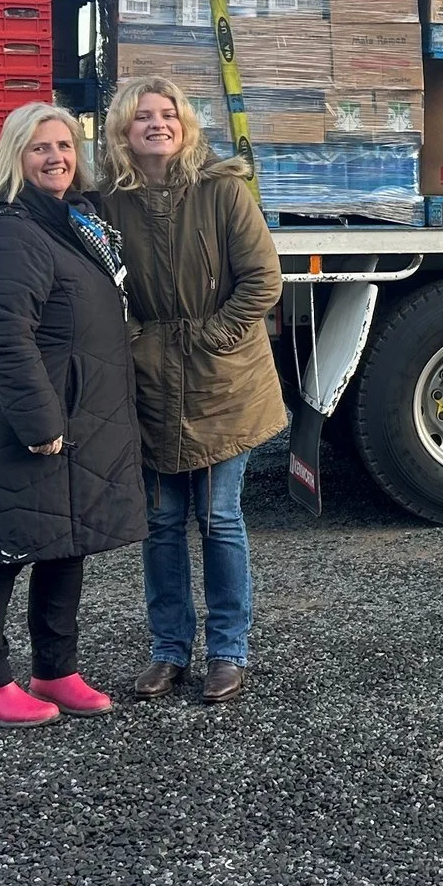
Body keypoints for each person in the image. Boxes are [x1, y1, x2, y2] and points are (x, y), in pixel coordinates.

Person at [0, 102, 146, 728]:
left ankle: (55, 670)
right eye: (39, 148)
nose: (55, 157)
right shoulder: (9, 231)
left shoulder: (71, 221)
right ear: (14, 157)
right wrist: (40, 422)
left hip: (78, 411)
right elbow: (4, 335)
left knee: (65, 542)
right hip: (26, 419)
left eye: (63, 145)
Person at [98, 77, 288, 707]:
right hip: (150, 380)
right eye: (143, 116)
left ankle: (228, 652)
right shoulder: (108, 204)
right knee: (160, 521)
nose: (158, 124)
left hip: (222, 380)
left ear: (184, 124)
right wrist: (135, 343)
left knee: (219, 516)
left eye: (168, 113)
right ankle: (168, 651)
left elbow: (262, 279)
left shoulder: (222, 190)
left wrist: (214, 338)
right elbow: (99, 287)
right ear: (124, 130)